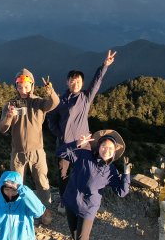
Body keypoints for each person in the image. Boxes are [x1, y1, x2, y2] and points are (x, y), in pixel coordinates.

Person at [59, 130, 131, 240]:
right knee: (76, 236)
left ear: (114, 153)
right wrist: (77, 143)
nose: (107, 150)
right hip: (71, 202)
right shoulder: (83, 156)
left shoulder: (110, 171)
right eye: (104, 146)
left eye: (111, 149)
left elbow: (122, 192)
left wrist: (126, 174)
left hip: (88, 208)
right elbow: (61, 152)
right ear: (98, 147)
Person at [46, 50, 116, 206]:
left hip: (83, 145)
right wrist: (60, 134)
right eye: (72, 80)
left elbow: (96, 83)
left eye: (78, 81)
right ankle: (64, 201)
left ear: (82, 83)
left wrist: (104, 66)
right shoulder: (60, 100)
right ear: (67, 82)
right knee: (63, 174)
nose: (75, 83)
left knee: (82, 173)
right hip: (65, 146)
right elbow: (51, 119)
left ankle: (80, 200)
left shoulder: (85, 98)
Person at [0, 68, 59, 224]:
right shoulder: (11, 104)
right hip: (17, 153)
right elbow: (3, 129)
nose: (23, 90)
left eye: (26, 86)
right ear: (16, 86)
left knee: (42, 182)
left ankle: (45, 212)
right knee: (16, 184)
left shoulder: (38, 102)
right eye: (20, 86)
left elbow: (54, 103)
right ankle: (17, 211)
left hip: (37, 151)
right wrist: (9, 116)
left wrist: (50, 90)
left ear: (32, 85)